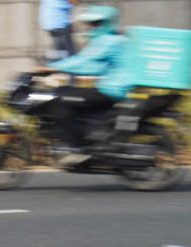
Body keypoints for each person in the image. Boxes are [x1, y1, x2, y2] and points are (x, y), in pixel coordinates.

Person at [34, 5, 134, 166]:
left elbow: (84, 61)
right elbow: (95, 67)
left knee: (57, 101)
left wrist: (53, 68)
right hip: (110, 89)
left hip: (110, 91)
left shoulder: (108, 41)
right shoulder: (117, 40)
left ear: (107, 23)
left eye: (95, 24)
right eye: (89, 24)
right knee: (63, 90)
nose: (90, 28)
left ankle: (78, 148)